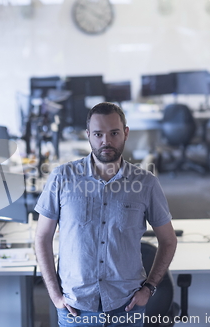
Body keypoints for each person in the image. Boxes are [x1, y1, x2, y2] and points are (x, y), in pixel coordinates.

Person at [34, 102, 177, 327]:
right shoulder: (62, 178)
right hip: (75, 310)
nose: (106, 141)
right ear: (88, 135)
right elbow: (42, 237)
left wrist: (149, 289)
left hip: (127, 307)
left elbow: (168, 240)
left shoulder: (146, 183)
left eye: (114, 133)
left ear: (126, 133)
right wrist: (54, 295)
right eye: (98, 134)